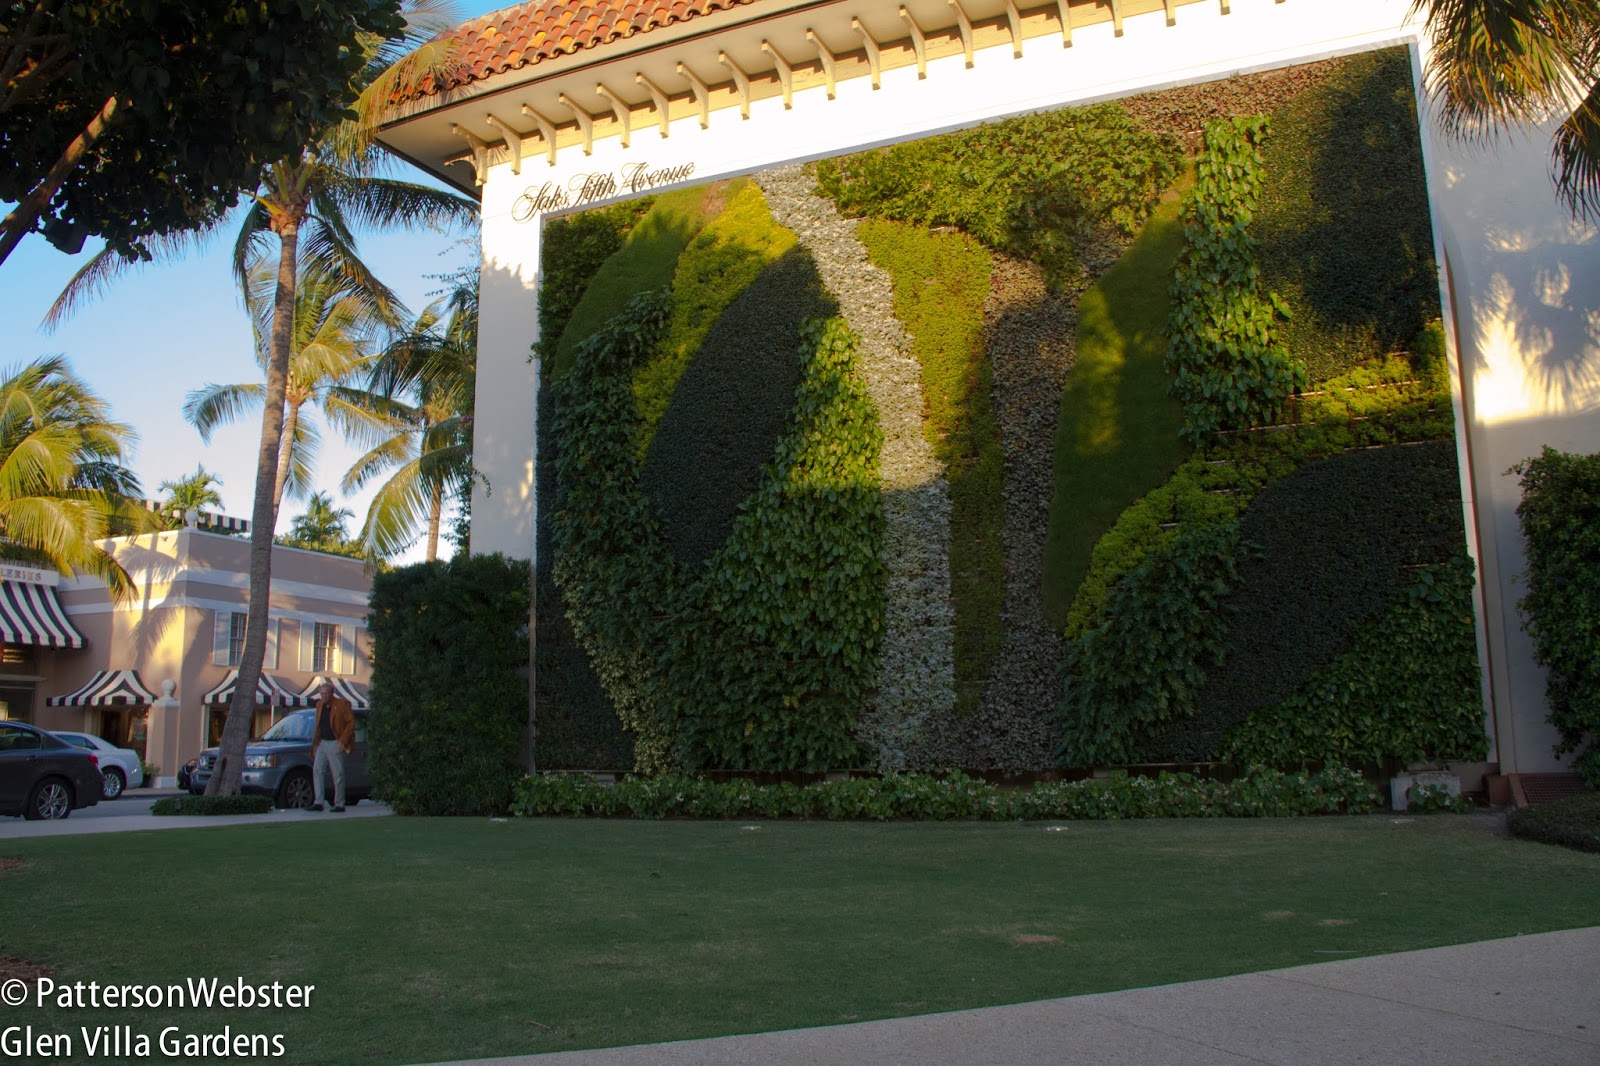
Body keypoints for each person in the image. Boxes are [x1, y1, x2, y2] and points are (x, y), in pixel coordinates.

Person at [309, 680, 355, 812]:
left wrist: (343, 741)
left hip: (335, 741)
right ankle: (318, 801)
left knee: (338, 773)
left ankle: (339, 803)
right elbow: (318, 724)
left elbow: (350, 723)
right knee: (317, 770)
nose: (324, 696)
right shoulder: (319, 705)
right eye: (322, 694)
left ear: (331, 693)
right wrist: (316, 743)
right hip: (322, 742)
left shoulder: (341, 705)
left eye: (326, 694)